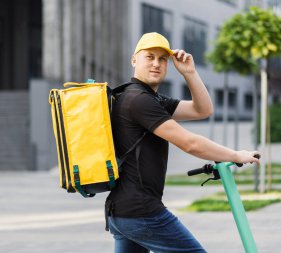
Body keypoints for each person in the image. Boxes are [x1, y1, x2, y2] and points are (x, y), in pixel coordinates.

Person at [105, 32, 260, 253]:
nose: (156, 64)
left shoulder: (147, 98)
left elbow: (202, 110)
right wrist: (235, 155)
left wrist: (190, 73)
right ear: (134, 60)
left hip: (123, 213)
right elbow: (190, 143)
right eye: (149, 57)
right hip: (141, 213)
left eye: (162, 59)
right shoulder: (138, 101)